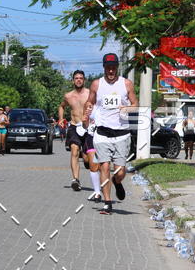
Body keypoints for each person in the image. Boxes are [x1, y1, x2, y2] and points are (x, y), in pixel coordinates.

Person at [87, 53, 138, 215]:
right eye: (108, 67)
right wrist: (86, 115)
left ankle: (117, 182)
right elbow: (90, 102)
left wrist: (128, 108)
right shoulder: (96, 84)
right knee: (104, 167)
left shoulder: (126, 84)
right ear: (104, 67)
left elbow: (135, 104)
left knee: (120, 171)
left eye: (113, 67)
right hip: (102, 133)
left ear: (117, 67)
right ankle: (107, 202)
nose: (111, 71)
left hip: (122, 134)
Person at [58, 70, 92, 191]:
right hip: (74, 126)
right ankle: (76, 180)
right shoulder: (68, 96)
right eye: (76, 78)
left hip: (88, 127)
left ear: (84, 80)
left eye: (81, 78)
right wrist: (61, 119)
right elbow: (61, 106)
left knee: (88, 159)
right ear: (73, 80)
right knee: (74, 150)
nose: (78, 80)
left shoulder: (90, 94)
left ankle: (86, 160)